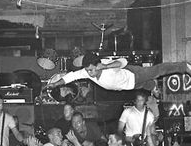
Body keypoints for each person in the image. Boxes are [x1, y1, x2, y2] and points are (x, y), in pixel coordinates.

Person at [44, 51, 191, 94]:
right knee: (147, 86)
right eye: (88, 70)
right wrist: (55, 84)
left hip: (133, 74)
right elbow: (70, 76)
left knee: (158, 71)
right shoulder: (86, 72)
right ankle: (152, 86)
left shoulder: (106, 64)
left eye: (92, 69)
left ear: (97, 64)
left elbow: (123, 62)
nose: (90, 73)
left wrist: (105, 67)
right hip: (128, 85)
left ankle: (185, 66)